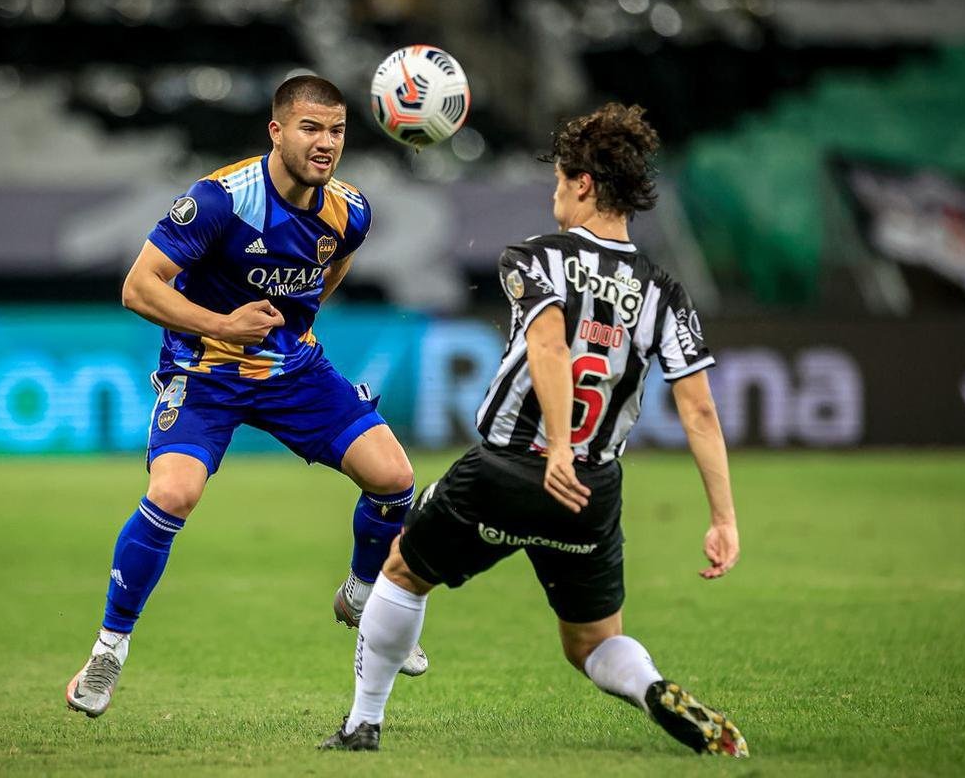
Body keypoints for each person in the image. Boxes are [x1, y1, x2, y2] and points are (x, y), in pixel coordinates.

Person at [320, 102, 749, 757]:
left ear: (582, 183)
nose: (553, 194)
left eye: (557, 182)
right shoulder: (665, 291)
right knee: (594, 642)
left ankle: (361, 725)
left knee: (403, 569)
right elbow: (699, 409)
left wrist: (559, 446)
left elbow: (549, 346)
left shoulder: (535, 258)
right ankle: (653, 687)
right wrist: (723, 517)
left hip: (511, 468)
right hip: (594, 492)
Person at [65, 75, 427, 719]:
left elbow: (331, 264)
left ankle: (360, 590)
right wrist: (224, 326)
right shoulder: (219, 200)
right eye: (311, 129)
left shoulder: (352, 211)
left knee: (397, 480)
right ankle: (108, 650)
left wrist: (297, 323)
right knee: (173, 492)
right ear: (277, 131)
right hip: (204, 373)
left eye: (337, 131)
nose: (325, 144)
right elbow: (137, 288)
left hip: (293, 373)